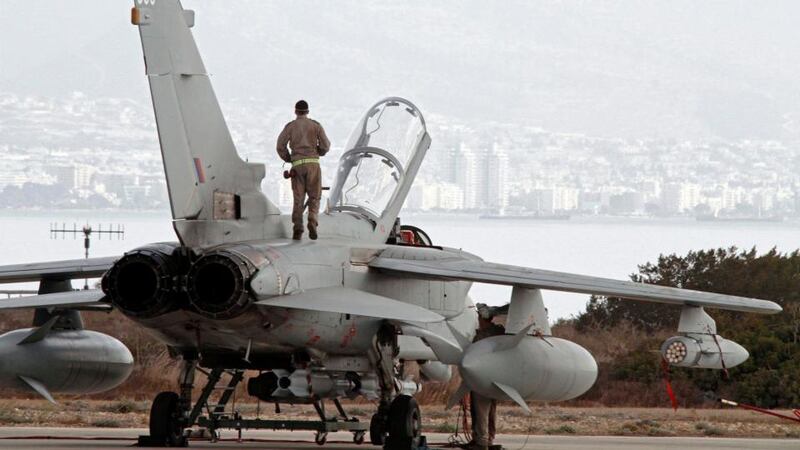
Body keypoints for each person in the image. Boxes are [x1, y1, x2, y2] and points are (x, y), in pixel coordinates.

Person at [276, 100, 330, 240]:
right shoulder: (315, 126)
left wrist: (289, 158)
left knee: (298, 199)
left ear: (295, 111)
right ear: (307, 112)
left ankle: (298, 229)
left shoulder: (290, 127)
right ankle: (312, 220)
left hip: (297, 165)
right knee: (314, 196)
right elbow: (326, 145)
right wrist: (319, 152)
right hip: (313, 165)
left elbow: (280, 146)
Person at [467, 303, 505, 450]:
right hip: (496, 377)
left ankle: (481, 441)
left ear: (482, 318)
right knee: (490, 411)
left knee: (481, 409)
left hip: (482, 377)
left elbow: (474, 353)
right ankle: (488, 439)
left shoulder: (482, 335)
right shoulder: (499, 332)